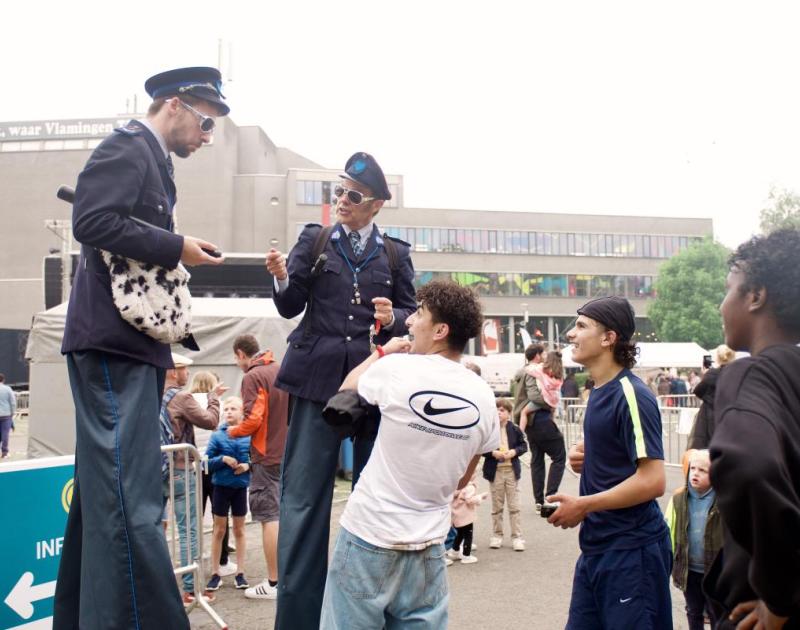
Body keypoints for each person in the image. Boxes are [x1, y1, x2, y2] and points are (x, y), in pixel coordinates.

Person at [54, 66, 228, 630]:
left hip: (127, 344)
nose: (207, 136)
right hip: (115, 344)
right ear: (175, 105)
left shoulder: (151, 159)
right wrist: (176, 246)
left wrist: (176, 247)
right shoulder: (129, 147)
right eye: (206, 122)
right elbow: (91, 220)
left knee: (106, 496)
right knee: (129, 498)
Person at [266, 152, 416, 628]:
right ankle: (298, 621)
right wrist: (281, 277)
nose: (342, 200)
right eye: (339, 191)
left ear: (375, 205)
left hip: (372, 387)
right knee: (303, 501)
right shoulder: (315, 239)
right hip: (315, 382)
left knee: (375, 500)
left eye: (353, 194)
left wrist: (395, 317)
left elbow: (413, 316)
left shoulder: (396, 254)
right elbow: (290, 305)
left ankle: (362, 616)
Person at [319, 280, 499, 629]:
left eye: (419, 314)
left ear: (440, 331)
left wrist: (382, 353)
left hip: (369, 535)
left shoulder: (397, 368)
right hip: (429, 546)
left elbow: (346, 389)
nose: (410, 322)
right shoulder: (483, 395)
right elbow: (463, 476)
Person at [548, 296, 671, 629]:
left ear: (609, 338)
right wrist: (587, 458)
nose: (571, 334)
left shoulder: (632, 394)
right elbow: (621, 455)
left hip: (632, 552)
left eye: (581, 326)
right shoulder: (599, 389)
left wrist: (584, 505)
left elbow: (653, 480)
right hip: (598, 548)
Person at [704, 228, 800, 629]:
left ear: (756, 296)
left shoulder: (751, 376)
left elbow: (751, 467)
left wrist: (779, 598)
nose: (722, 305)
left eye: (729, 290)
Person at [226, 334, 288, 600]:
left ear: (241, 354)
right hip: (287, 452)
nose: (237, 363)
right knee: (283, 516)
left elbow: (253, 419)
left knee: (269, 518)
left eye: (236, 358)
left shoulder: (253, 376)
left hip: (266, 455)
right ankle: (286, 579)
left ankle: (274, 583)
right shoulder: (279, 368)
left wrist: (232, 431)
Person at [161, 353, 226, 604]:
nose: (187, 374)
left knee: (156, 528)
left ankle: (159, 584)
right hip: (179, 469)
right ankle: (190, 589)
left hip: (155, 469)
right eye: (184, 369)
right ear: (173, 371)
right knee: (188, 530)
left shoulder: (150, 394)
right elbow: (210, 421)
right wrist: (213, 398)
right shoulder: (181, 397)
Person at [665, 449, 722, 630]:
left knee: (716, 612)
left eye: (702, 470)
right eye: (693, 468)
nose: (695, 473)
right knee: (693, 610)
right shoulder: (678, 499)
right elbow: (669, 528)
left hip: (715, 571)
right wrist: (669, 559)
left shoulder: (723, 500)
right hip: (689, 570)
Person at [190, 370, 237, 577]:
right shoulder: (218, 404)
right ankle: (223, 560)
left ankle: (193, 559)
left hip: (194, 465)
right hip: (216, 465)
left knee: (194, 516)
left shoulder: (187, 403)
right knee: (220, 515)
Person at [205, 396, 251, 593]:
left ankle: (240, 573)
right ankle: (215, 573)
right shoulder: (217, 436)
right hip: (221, 488)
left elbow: (258, 459)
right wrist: (223, 459)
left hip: (240, 488)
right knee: (219, 530)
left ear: (242, 412)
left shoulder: (250, 434)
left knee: (239, 530)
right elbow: (205, 463)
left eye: (233, 408)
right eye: (226, 409)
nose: (229, 412)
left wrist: (247, 466)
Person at [519, 350, 567, 511]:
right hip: (543, 420)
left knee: (537, 460)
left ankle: (539, 500)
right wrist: (548, 404)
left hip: (532, 422)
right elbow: (536, 397)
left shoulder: (534, 371)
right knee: (559, 457)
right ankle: (550, 496)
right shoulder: (550, 374)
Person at [483, 398, 527, 551]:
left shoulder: (514, 429)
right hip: (495, 472)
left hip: (511, 471)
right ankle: (497, 535)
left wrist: (513, 452)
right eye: (496, 410)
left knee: (514, 506)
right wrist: (492, 453)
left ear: (509, 413)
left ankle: (517, 537)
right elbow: (481, 448)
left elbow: (523, 446)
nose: (498, 413)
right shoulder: (489, 429)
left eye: (502, 410)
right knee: (497, 506)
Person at [687, 344, 736, 450]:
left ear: (717, 358)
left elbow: (698, 391)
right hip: (731, 417)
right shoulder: (738, 374)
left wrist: (705, 375)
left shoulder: (712, 374)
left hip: (709, 416)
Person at [447, 472, 488, 564]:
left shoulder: (456, 487)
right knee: (468, 536)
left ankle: (455, 551)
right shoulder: (469, 487)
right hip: (466, 517)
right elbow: (470, 500)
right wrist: (481, 496)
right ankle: (466, 556)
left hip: (457, 515)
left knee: (459, 534)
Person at [511, 343, 545, 424]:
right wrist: (548, 404)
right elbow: (534, 396)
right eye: (543, 354)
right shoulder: (532, 372)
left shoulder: (523, 370)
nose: (544, 357)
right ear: (537, 356)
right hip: (533, 417)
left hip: (522, 413)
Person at [0, 373, 15, 458]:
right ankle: (4, 452)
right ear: (3, 380)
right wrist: (12, 412)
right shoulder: (7, 389)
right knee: (5, 434)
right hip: (6, 415)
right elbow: (12, 402)